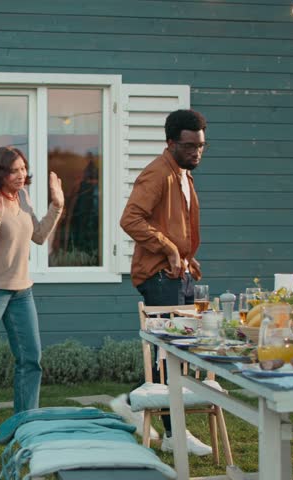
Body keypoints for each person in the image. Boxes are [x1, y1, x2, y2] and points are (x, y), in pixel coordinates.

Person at [112, 109, 212, 456]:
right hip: (157, 275)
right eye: (189, 146)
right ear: (170, 143)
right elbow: (130, 219)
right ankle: (171, 431)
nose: (196, 152)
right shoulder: (158, 173)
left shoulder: (183, 173)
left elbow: (170, 223)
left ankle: (137, 406)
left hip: (176, 271)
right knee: (170, 354)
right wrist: (169, 249)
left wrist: (185, 256)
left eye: (201, 146)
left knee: (173, 354)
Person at [0, 146, 64, 414]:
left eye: (23, 169)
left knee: (31, 359)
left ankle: (26, 420)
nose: (21, 175)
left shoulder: (22, 197)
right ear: (0, 172)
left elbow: (39, 235)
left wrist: (57, 206)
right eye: (14, 170)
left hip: (22, 291)